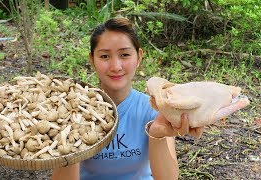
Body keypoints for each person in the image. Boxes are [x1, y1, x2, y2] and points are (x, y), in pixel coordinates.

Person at [51, 17, 204, 180]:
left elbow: (167, 178)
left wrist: (157, 135)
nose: (116, 66)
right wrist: (71, 139)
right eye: (104, 56)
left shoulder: (153, 108)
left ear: (138, 57)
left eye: (124, 55)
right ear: (92, 60)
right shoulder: (72, 111)